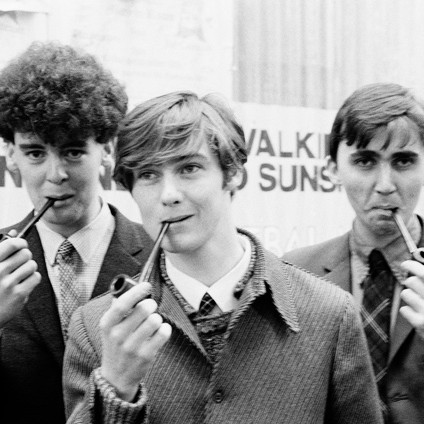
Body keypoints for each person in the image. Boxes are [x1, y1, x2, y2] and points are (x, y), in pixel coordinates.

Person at [63, 91, 383, 424]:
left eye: (189, 168)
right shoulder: (95, 328)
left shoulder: (330, 315)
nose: (168, 195)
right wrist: (116, 388)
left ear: (232, 174)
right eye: (148, 175)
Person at [0, 42, 153, 424]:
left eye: (72, 151)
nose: (55, 175)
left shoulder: (159, 254)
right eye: (35, 153)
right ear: (10, 154)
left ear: (107, 150)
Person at [283, 82, 424, 424]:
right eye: (365, 161)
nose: (386, 184)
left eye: (403, 161)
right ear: (333, 169)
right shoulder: (293, 273)